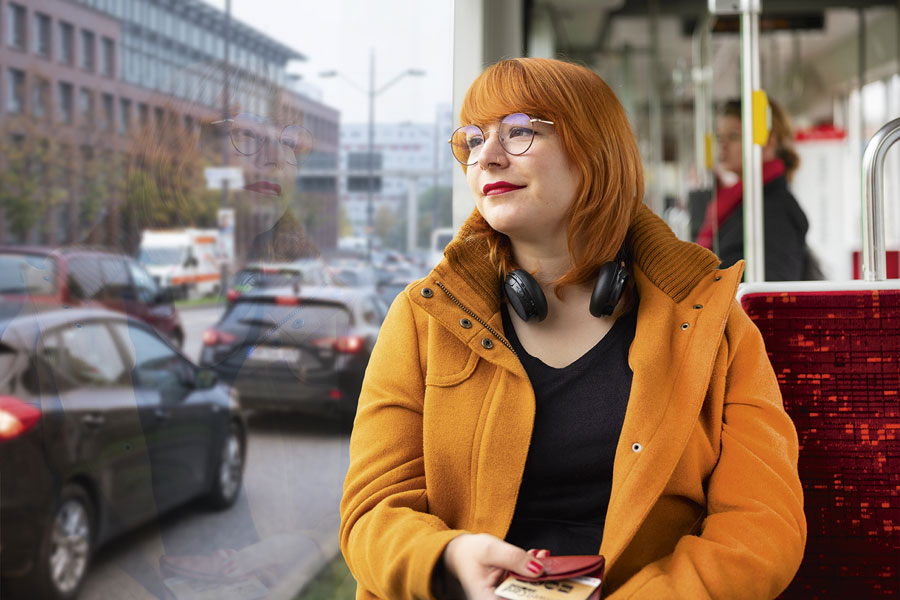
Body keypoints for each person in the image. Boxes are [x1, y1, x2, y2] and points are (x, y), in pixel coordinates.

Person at [340, 57, 806, 599]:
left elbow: (761, 528)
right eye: (472, 139)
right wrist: (449, 558)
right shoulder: (425, 318)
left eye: (517, 132)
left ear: (593, 150)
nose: (485, 157)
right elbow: (372, 511)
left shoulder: (712, 321)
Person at [697, 98, 813, 280]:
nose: (722, 145)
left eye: (734, 136)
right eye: (719, 137)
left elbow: (770, 291)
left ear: (767, 142)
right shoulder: (740, 201)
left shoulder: (776, 210)